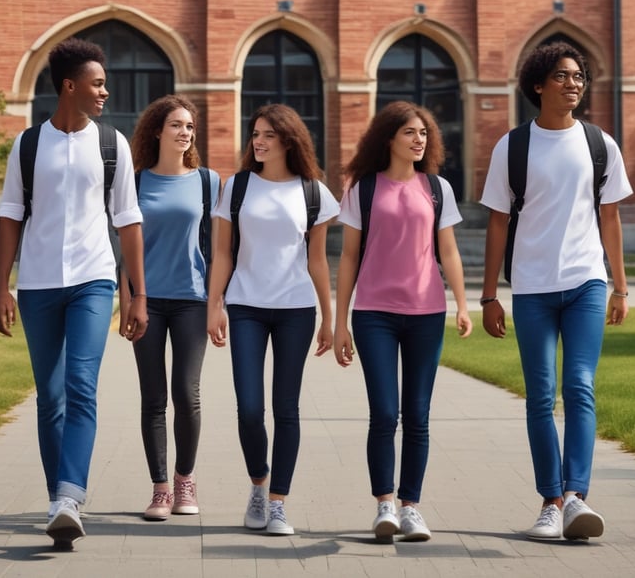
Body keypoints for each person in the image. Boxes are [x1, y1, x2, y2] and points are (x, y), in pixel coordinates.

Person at [0, 37, 146, 549]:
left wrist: (136, 295)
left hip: (93, 280)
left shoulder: (112, 144)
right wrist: (2, 288)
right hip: (37, 284)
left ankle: (68, 497)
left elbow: (127, 220)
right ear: (69, 86)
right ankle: (59, 496)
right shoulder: (28, 144)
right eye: (97, 83)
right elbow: (11, 214)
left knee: (81, 385)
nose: (105, 91)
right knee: (50, 397)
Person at [479, 41, 632, 542]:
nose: (575, 83)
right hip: (533, 286)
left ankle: (576, 498)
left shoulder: (600, 144)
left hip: (587, 280)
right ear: (538, 85)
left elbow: (610, 218)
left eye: (579, 76)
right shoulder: (513, 147)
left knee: (580, 387)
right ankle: (550, 500)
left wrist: (620, 286)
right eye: (564, 76)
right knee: (541, 395)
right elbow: (497, 224)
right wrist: (488, 296)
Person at [333, 101, 472, 543]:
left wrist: (463, 305)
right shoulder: (363, 190)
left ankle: (411, 507)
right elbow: (349, 257)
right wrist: (340, 323)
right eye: (410, 133)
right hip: (374, 313)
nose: (419, 140)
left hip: (427, 312)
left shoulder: (437, 189)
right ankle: (384, 506)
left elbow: (447, 251)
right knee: (384, 413)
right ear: (388, 138)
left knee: (418, 415)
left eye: (424, 134)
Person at [206, 104, 339, 536]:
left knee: (286, 408)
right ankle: (258, 486)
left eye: (267, 135)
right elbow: (223, 252)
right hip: (245, 304)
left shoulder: (313, 192)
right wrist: (215, 305)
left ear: (289, 140)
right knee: (248, 408)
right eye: (255, 134)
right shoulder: (238, 187)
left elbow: (317, 260)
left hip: (296, 309)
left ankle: (278, 502)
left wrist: (329, 316)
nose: (258, 142)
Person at [119, 95, 221, 521]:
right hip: (146, 302)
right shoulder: (135, 181)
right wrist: (126, 302)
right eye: (177, 125)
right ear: (157, 130)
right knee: (153, 396)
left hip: (192, 299)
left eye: (190, 127)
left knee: (187, 393)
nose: (185, 133)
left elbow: (218, 250)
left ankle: (185, 480)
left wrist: (218, 304)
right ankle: (160, 489)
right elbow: (123, 249)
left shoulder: (207, 181)